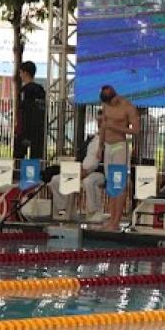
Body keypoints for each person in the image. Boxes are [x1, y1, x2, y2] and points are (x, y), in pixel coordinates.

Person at [97, 85, 140, 227]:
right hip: (108, 147)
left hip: (120, 147)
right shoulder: (106, 105)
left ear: (115, 96)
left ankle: (116, 221)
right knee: (110, 183)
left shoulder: (128, 107)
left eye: (110, 102)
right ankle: (111, 218)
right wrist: (100, 146)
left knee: (118, 183)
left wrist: (116, 127)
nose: (109, 105)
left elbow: (137, 130)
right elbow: (104, 125)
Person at [51, 129, 105, 221]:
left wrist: (87, 171)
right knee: (56, 180)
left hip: (98, 172)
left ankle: (94, 211)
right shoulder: (87, 142)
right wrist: (78, 170)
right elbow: (78, 159)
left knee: (89, 181)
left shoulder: (108, 143)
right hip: (79, 170)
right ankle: (63, 209)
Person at [14, 61, 46, 161]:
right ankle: (35, 175)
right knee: (36, 158)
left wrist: (21, 130)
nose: (20, 75)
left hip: (25, 129)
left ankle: (19, 175)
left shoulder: (25, 90)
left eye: (21, 73)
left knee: (19, 157)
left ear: (26, 73)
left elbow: (23, 111)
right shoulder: (40, 90)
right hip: (38, 129)